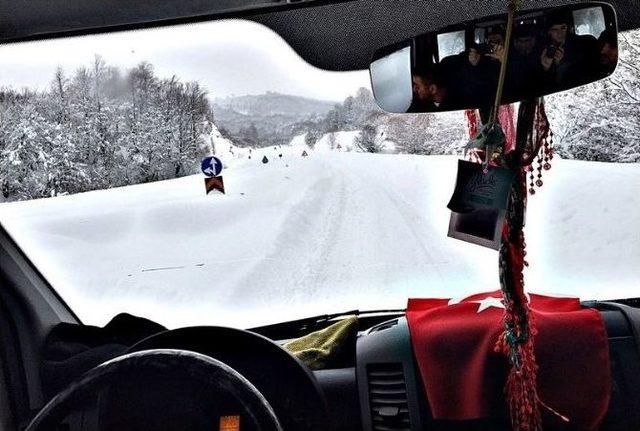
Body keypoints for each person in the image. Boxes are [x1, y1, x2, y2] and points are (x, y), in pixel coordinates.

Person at [539, 10, 599, 91]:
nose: (560, 33)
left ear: (568, 27)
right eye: (555, 29)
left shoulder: (583, 44)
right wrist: (546, 68)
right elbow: (542, 86)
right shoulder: (540, 51)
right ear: (548, 31)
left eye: (563, 28)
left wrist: (562, 63)